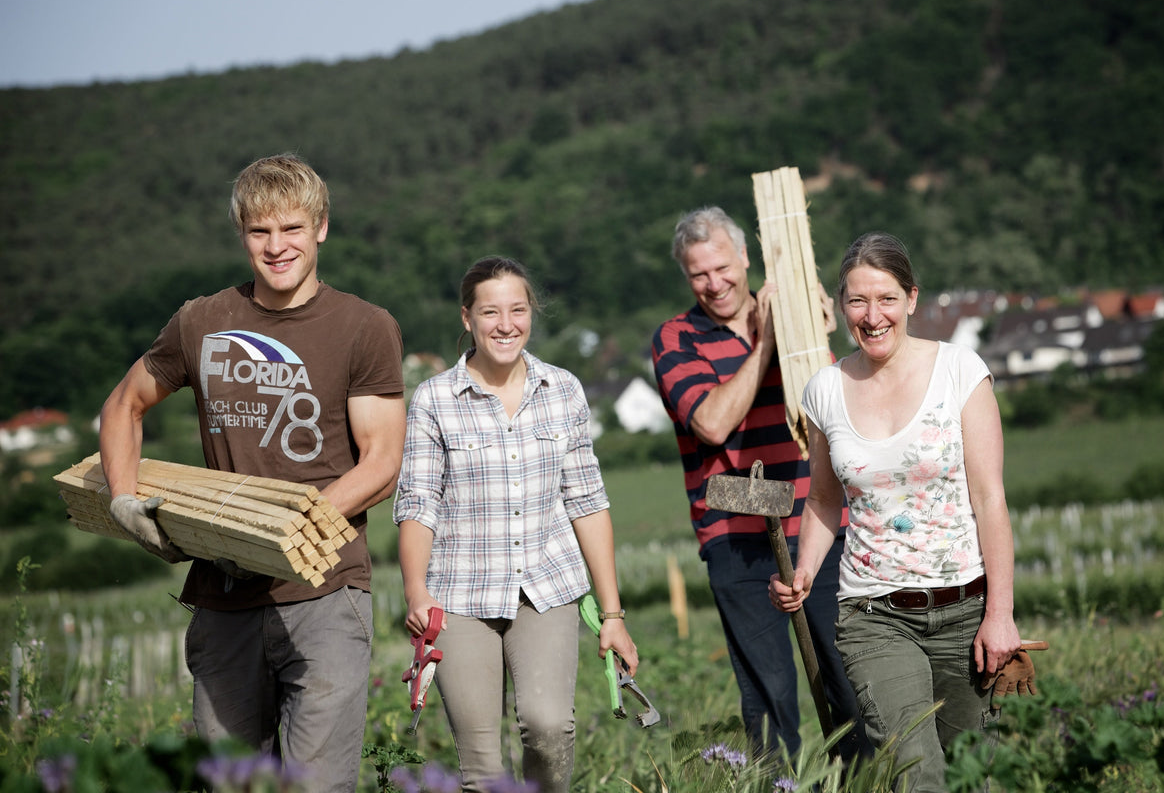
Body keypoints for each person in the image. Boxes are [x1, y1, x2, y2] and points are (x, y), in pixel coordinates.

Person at [98, 153, 406, 793]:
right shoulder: (203, 321)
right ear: (242, 233)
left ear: (320, 228)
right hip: (224, 594)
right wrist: (125, 501)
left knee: (316, 786)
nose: (276, 246)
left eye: (291, 229)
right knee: (230, 785)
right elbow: (124, 405)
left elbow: (382, 461)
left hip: (324, 590)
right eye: (260, 231)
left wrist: (289, 527)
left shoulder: (363, 327)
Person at [769, 232, 1022, 793]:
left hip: (965, 610)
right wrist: (805, 569)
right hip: (873, 613)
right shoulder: (825, 391)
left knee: (975, 775)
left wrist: (1000, 613)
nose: (872, 315)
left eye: (886, 298)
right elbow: (823, 498)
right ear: (842, 309)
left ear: (911, 298)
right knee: (917, 771)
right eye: (857, 301)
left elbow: (990, 498)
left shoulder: (960, 371)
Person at [393, 255, 639, 793]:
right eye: (490, 312)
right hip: (458, 594)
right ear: (467, 319)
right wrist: (417, 592)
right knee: (481, 764)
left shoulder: (564, 390)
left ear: (531, 313)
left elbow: (588, 502)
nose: (506, 324)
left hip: (546, 589)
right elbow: (417, 503)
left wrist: (613, 613)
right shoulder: (434, 399)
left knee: (549, 728)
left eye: (517, 310)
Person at [651, 206, 866, 762]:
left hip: (821, 527)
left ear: (746, 259)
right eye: (699, 274)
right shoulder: (677, 339)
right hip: (735, 538)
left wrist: (815, 337)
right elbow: (712, 423)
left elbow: (839, 412)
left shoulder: (795, 324)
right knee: (769, 702)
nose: (714, 283)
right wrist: (767, 342)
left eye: (723, 267)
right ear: (685, 276)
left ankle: (868, 780)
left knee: (851, 684)